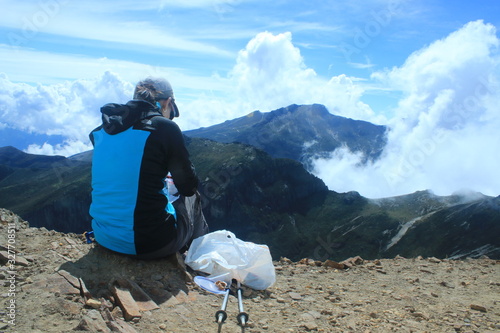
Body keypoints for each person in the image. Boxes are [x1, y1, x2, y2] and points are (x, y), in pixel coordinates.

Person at [89, 77, 208, 259]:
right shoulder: (165, 128)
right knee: (193, 198)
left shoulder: (100, 131)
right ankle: (201, 257)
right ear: (167, 102)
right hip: (150, 244)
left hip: (103, 236)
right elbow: (188, 187)